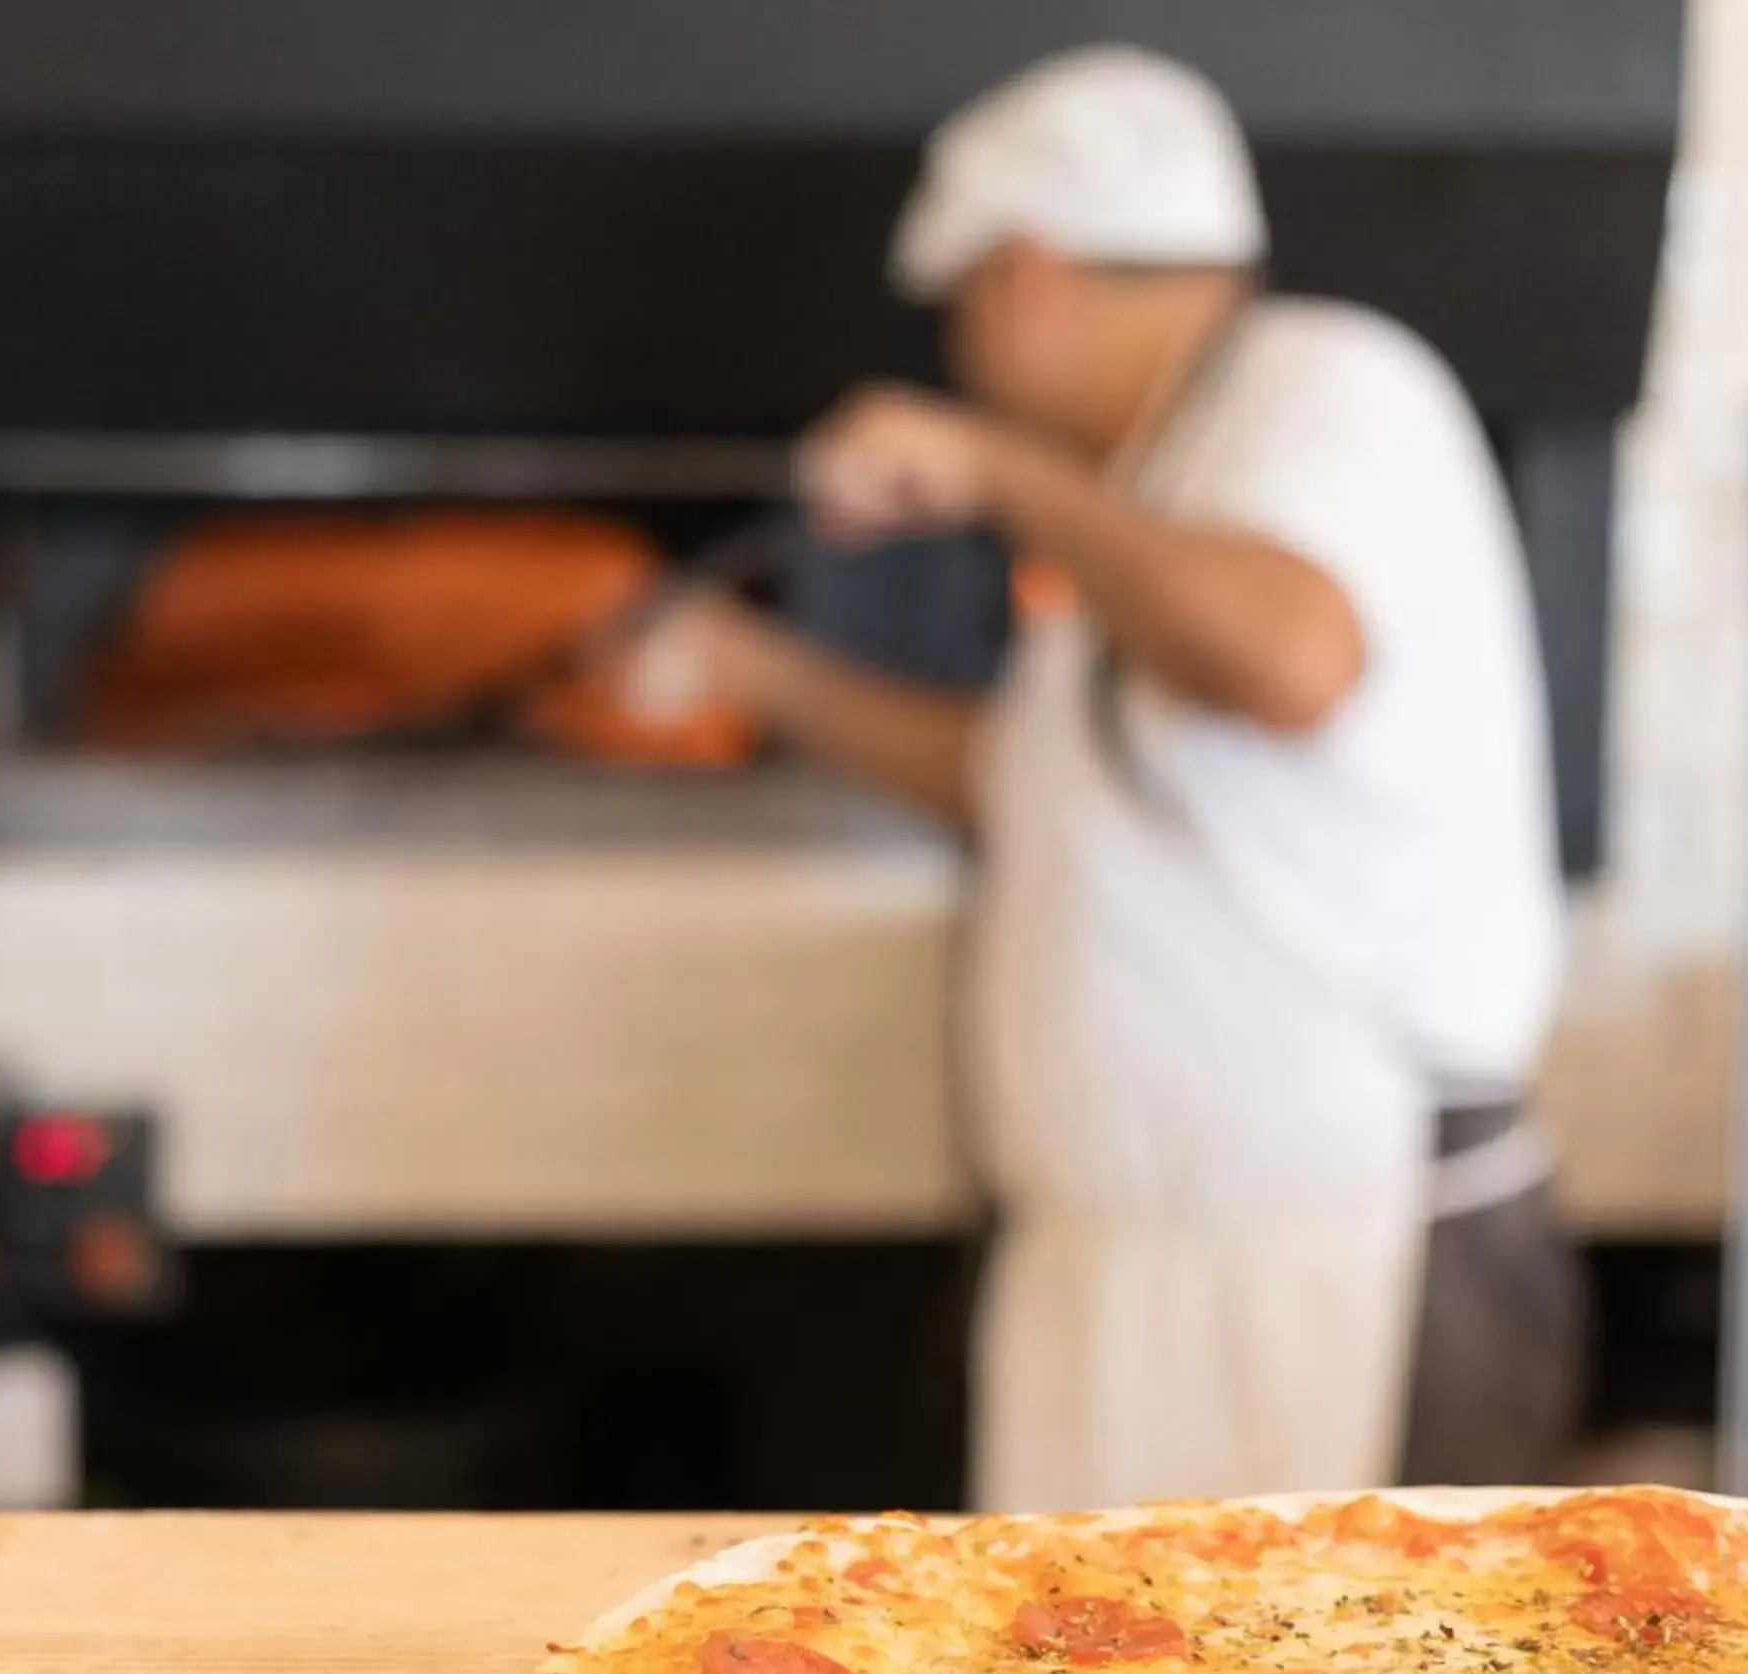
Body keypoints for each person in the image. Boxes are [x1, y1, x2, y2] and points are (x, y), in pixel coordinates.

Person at [605, 48, 1578, 1507]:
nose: (966, 359)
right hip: (1153, 1265)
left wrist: (992, 470)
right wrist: (754, 673)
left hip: (1337, 1254)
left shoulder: (1329, 384)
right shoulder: (1161, 484)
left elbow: (1289, 659)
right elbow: (1029, 784)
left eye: (962, 321)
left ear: (1030, 279)